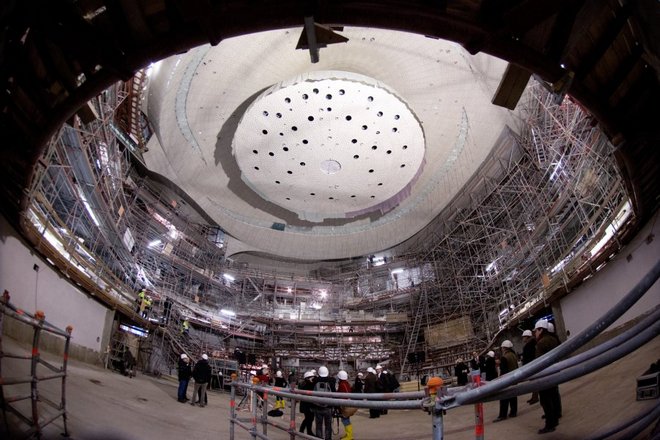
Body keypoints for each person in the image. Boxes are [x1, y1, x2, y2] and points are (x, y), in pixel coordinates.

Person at [534, 319, 560, 434]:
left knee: (545, 399)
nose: (535, 333)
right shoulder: (554, 339)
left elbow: (539, 361)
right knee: (554, 395)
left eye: (536, 331)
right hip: (554, 371)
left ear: (541, 330)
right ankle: (555, 419)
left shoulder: (541, 343)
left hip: (545, 375)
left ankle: (550, 424)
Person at [493, 340, 518, 422]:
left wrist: (501, 380)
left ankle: (502, 415)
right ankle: (513, 412)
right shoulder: (513, 355)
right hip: (514, 378)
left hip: (507, 380)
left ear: (504, 348)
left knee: (503, 397)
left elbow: (504, 371)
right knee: (513, 396)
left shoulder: (504, 357)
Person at [313, 366, 336, 440]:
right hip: (328, 406)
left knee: (318, 425)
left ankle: (319, 438)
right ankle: (328, 438)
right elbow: (334, 393)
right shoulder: (331, 381)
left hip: (317, 406)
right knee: (328, 425)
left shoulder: (315, 381)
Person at [522, 329, 539, 404]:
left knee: (534, 382)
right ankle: (534, 396)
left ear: (527, 337)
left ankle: (535, 397)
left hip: (531, 366)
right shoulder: (534, 343)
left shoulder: (528, 346)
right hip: (534, 365)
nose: (523, 338)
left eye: (524, 337)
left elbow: (528, 357)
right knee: (534, 382)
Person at [337, 370, 354, 440]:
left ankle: (349, 436)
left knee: (345, 420)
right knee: (346, 419)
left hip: (344, 405)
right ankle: (348, 434)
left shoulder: (341, 384)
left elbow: (339, 394)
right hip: (348, 403)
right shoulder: (347, 383)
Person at [299, 371, 316, 435]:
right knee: (309, 418)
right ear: (307, 378)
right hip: (306, 405)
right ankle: (309, 432)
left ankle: (302, 429)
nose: (313, 379)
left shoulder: (306, 383)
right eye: (311, 378)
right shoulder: (307, 384)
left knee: (308, 418)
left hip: (307, 404)